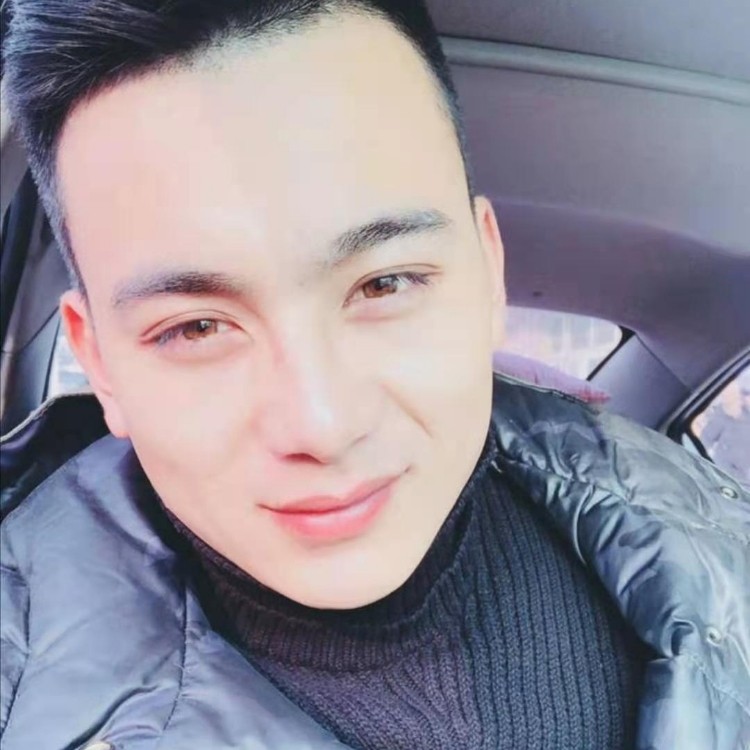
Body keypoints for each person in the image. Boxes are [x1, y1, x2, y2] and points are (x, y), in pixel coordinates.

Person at [0, 2, 747, 749]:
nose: (322, 424)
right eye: (196, 327)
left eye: (385, 283)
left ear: (488, 274)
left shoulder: (714, 532)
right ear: (99, 362)